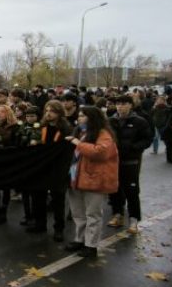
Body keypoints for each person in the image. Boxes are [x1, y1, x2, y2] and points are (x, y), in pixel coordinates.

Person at [64, 106, 119, 258]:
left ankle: (91, 245)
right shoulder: (81, 132)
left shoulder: (103, 133)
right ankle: (79, 239)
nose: (79, 118)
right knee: (78, 213)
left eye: (82, 116)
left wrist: (78, 143)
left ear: (92, 118)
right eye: (79, 116)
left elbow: (100, 152)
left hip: (94, 180)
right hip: (76, 177)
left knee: (92, 214)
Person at [25, 101, 73, 240]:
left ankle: (59, 228)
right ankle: (40, 224)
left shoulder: (66, 129)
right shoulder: (41, 127)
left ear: (59, 113)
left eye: (52, 111)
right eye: (47, 110)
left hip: (57, 169)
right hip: (41, 168)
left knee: (58, 200)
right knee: (38, 197)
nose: (48, 113)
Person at [108, 95, 154, 232]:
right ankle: (118, 215)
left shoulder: (139, 121)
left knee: (132, 191)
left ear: (130, 105)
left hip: (131, 161)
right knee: (114, 189)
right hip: (113, 161)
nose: (120, 106)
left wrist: (134, 147)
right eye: (118, 104)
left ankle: (134, 220)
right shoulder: (111, 120)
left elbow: (148, 139)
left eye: (123, 104)